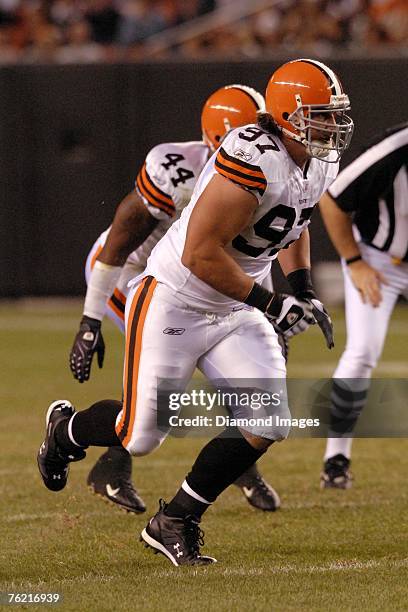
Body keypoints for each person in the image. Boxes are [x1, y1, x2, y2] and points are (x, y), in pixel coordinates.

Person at [38, 58, 353, 565]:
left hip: (234, 306)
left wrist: (302, 287)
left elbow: (295, 222)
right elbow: (200, 254)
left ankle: (175, 520)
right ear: (288, 115)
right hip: (175, 297)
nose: (332, 127)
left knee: (267, 421)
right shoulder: (253, 155)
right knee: (139, 436)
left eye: (334, 115)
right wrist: (272, 302)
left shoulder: (315, 162)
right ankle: (67, 430)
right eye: (320, 115)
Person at [68, 84, 281, 513]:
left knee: (246, 370)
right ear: (217, 139)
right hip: (135, 274)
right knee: (161, 380)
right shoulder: (176, 170)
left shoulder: (267, 170)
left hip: (202, 280)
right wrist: (90, 320)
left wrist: (267, 307)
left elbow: (256, 251)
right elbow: (117, 244)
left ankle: (238, 457)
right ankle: (112, 460)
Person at [319, 122, 408, 489]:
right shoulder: (397, 146)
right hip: (380, 260)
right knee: (362, 352)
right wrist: (355, 263)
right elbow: (333, 199)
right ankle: (335, 459)